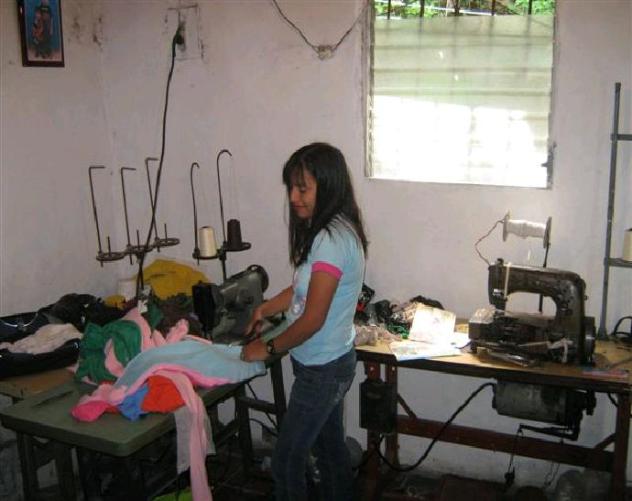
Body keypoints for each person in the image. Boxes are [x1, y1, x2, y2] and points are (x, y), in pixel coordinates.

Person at [241, 142, 368, 500]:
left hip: (322, 371)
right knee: (330, 452)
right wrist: (265, 309)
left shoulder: (331, 240)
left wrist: (266, 348)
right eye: (291, 188)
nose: (293, 198)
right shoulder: (333, 229)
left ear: (327, 187)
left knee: (286, 462)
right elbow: (302, 290)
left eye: (303, 189)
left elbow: (312, 319)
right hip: (329, 362)